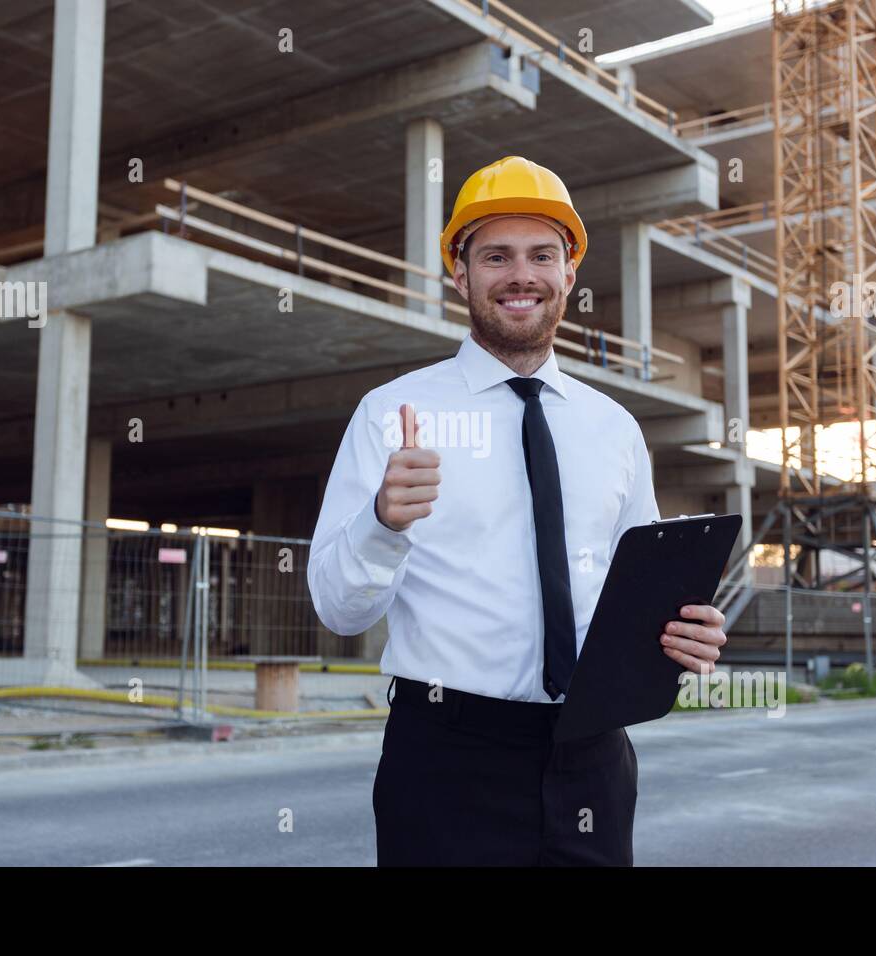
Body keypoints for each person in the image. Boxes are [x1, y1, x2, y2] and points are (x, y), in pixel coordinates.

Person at [308, 156, 728, 866]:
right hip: (446, 759)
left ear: (569, 274)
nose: (520, 275)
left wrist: (685, 632)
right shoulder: (391, 415)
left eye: (541, 255)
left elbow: (636, 594)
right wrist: (382, 523)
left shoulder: (614, 429)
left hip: (593, 758)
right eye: (495, 256)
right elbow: (339, 611)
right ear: (460, 275)